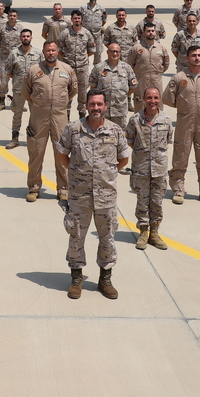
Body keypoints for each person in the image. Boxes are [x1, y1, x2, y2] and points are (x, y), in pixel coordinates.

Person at [56, 90, 130, 300]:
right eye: (92, 104)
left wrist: (107, 173)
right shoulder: (73, 129)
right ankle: (76, 278)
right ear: (86, 106)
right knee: (76, 237)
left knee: (107, 238)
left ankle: (105, 279)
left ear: (105, 106)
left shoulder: (115, 130)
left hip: (106, 196)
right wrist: (76, 172)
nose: (95, 108)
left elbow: (124, 159)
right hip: (79, 196)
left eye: (99, 104)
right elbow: (62, 153)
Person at [162, 45, 200, 205]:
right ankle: (178, 190)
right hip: (184, 123)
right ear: (187, 58)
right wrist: (184, 107)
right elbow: (167, 98)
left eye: (199, 55)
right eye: (193, 55)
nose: (197, 58)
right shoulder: (179, 78)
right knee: (180, 157)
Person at [22, 41, 77, 202]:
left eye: (53, 50)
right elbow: (25, 92)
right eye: (48, 50)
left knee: (62, 152)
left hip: (60, 116)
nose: (51, 53)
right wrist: (39, 105)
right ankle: (34, 187)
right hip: (39, 116)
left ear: (57, 51)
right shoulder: (34, 70)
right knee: (36, 152)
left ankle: (63, 188)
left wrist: (59, 104)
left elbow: (73, 90)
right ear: (43, 52)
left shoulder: (67, 70)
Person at [125, 86, 172, 250]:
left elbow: (168, 140)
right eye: (149, 98)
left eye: (156, 98)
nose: (153, 101)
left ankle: (154, 233)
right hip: (141, 168)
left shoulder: (166, 120)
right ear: (144, 99)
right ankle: (144, 232)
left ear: (160, 99)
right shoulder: (135, 120)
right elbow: (129, 140)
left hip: (159, 169)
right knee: (142, 202)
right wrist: (143, 153)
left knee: (157, 202)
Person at [2, 28, 42, 149]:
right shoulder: (14, 53)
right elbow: (8, 70)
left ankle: (33, 138)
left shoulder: (38, 53)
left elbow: (43, 70)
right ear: (20, 38)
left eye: (28, 36)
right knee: (17, 115)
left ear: (31, 38)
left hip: (33, 91)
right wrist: (18, 80)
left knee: (35, 116)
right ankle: (15, 139)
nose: (25, 38)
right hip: (18, 90)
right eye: (23, 36)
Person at [89, 42, 137, 130]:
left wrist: (123, 96)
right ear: (107, 52)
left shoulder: (127, 68)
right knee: (101, 132)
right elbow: (93, 87)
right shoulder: (99, 68)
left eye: (117, 51)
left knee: (119, 133)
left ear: (120, 53)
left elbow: (133, 86)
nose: (115, 54)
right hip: (103, 110)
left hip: (120, 110)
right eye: (112, 51)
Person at [57, 9, 95, 118]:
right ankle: (66, 116)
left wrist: (82, 58)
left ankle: (82, 115)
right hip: (68, 69)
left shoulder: (86, 33)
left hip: (82, 68)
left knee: (82, 93)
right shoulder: (65, 33)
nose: (77, 20)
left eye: (78, 18)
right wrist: (66, 59)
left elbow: (92, 50)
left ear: (81, 19)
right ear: (71, 19)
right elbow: (58, 49)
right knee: (67, 92)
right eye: (75, 18)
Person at [126, 24, 169, 110]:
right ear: (144, 33)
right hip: (141, 81)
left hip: (156, 80)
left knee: (157, 103)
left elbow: (166, 64)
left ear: (155, 32)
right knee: (140, 103)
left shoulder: (161, 48)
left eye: (152, 31)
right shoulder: (136, 48)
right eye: (148, 31)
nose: (151, 33)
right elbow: (129, 65)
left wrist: (156, 73)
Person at [0, 8, 26, 110]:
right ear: (8, 17)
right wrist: (5, 50)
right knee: (3, 81)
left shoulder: (20, 28)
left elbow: (25, 41)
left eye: (14, 16)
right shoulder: (2, 28)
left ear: (17, 17)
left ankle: (17, 102)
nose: (12, 17)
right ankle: (2, 101)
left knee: (18, 82)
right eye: (10, 16)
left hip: (17, 60)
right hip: (5, 60)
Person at [81, 0, 108, 65]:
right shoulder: (83, 7)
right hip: (86, 34)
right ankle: (84, 67)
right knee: (84, 52)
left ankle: (97, 68)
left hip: (97, 34)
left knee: (98, 53)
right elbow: (80, 19)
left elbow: (104, 20)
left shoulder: (101, 8)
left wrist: (98, 26)